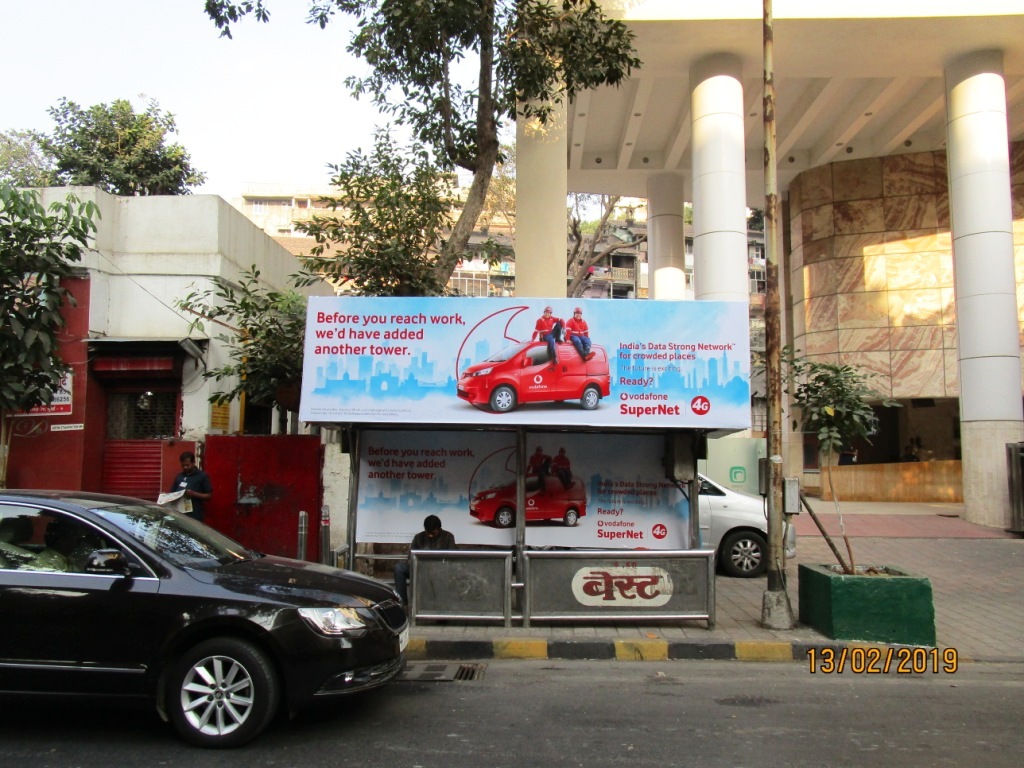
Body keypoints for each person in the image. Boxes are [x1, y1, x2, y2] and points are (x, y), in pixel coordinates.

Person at [394, 515, 456, 605]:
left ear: (439, 529)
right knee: (399, 568)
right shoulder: (418, 537)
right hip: (420, 569)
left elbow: (452, 558)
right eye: (428, 533)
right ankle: (402, 603)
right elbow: (411, 556)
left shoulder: (448, 537)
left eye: (433, 533)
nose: (430, 535)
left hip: (440, 570)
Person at [170, 451, 213, 522]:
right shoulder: (179, 476)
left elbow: (209, 496)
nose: (185, 467)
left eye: (187, 465)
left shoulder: (202, 476)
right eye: (183, 465)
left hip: (194, 516)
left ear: (193, 462)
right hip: (179, 515)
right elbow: (172, 493)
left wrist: (194, 494)